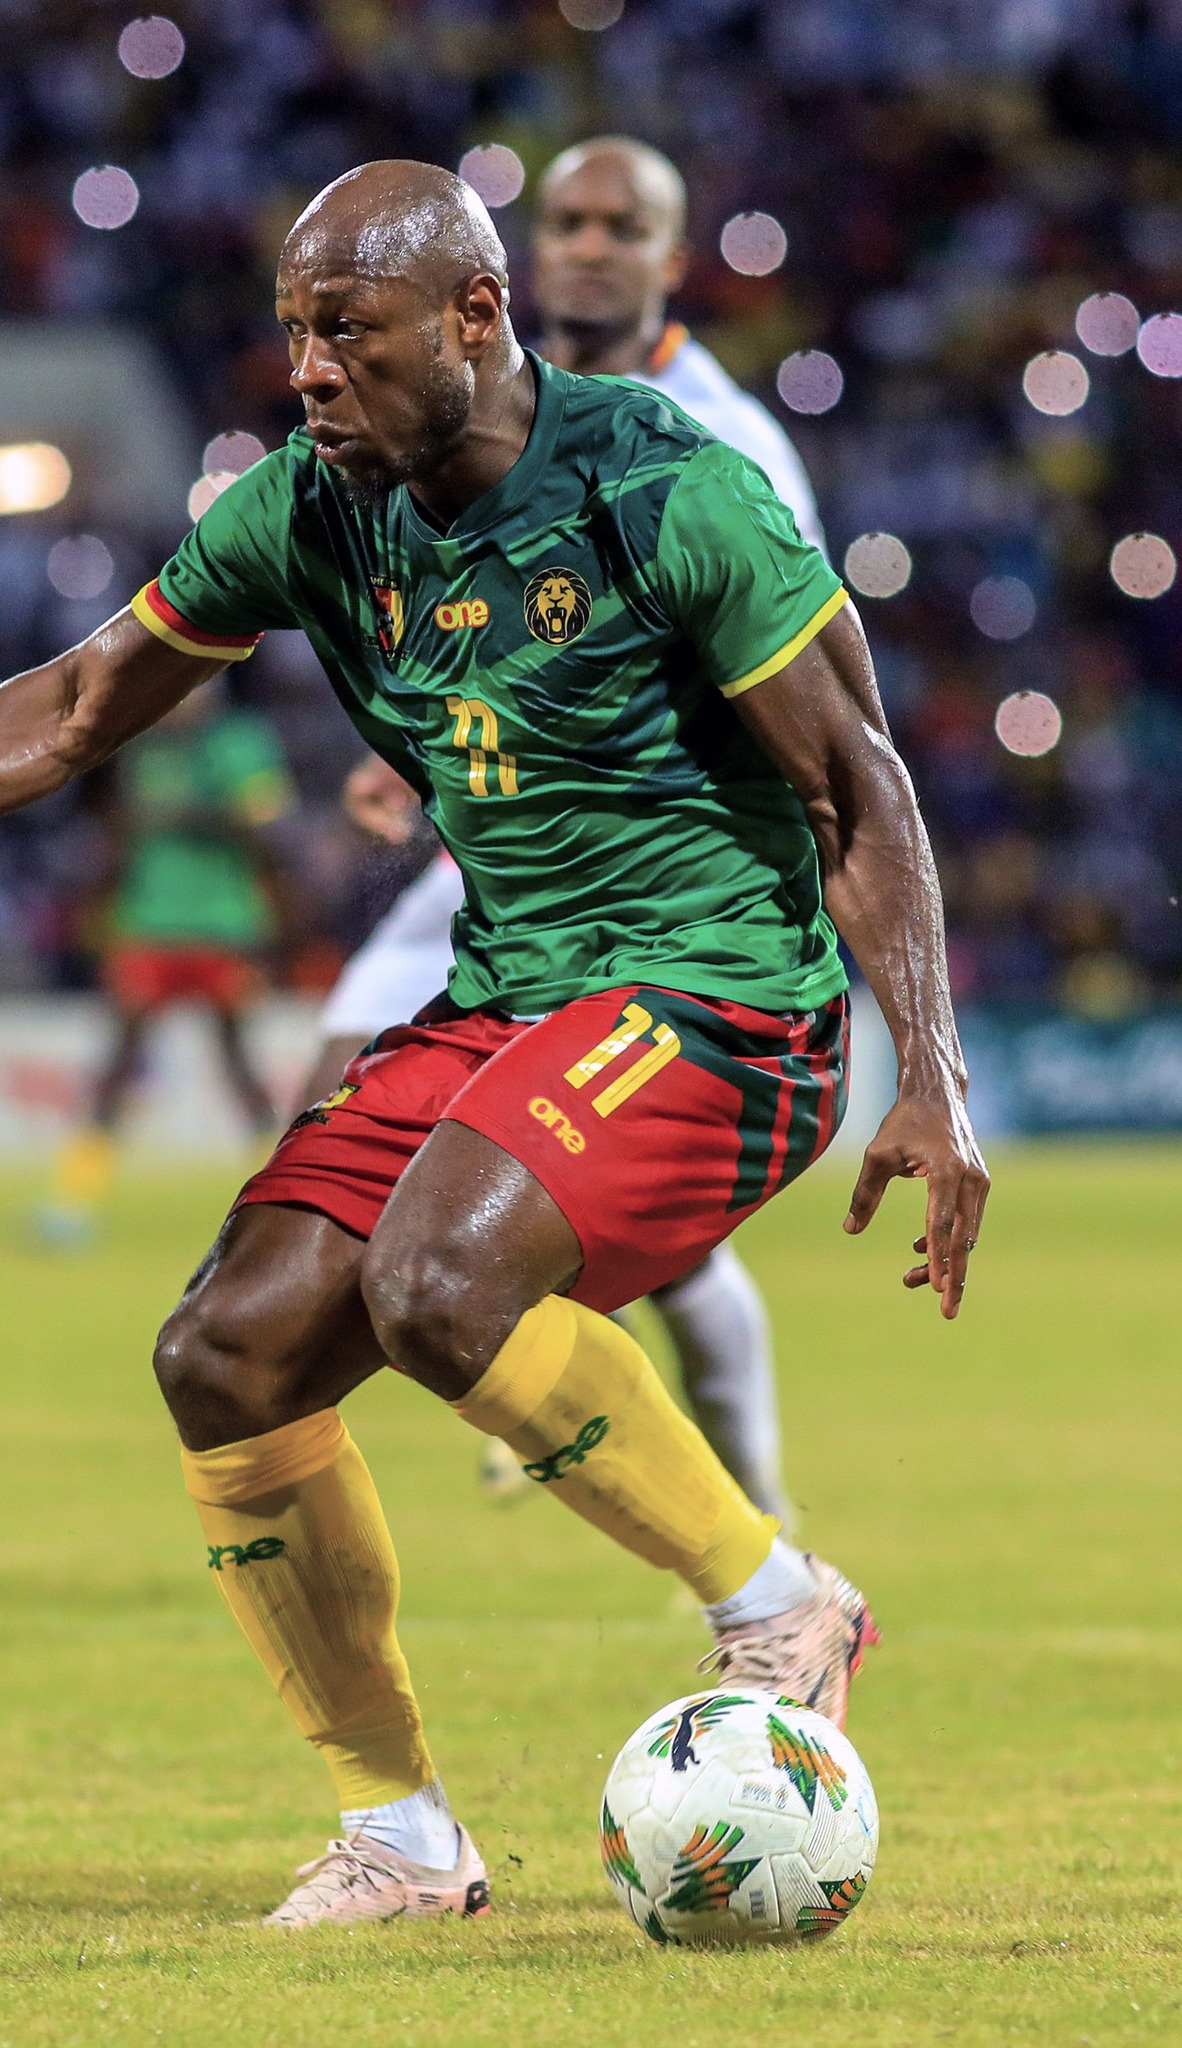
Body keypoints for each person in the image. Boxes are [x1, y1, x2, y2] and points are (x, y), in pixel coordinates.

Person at [0, 161, 987, 1933]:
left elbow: (856, 783)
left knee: (432, 1284)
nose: (308, 372)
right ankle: (400, 1836)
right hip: (515, 995)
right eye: (291, 336)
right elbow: (86, 699)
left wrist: (928, 1072)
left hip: (721, 999)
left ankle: (778, 1599)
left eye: (345, 333)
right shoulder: (307, 511)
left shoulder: (664, 489)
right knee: (225, 1353)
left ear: (472, 322)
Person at [305, 135, 821, 1518]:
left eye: (619, 224)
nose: (588, 245)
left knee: (655, 1227)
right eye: (568, 222)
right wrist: (426, 758)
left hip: (669, 866)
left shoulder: (721, 438)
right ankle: (519, 1319)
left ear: (670, 256)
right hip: (502, 856)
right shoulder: (468, 404)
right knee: (335, 1071)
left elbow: (785, 683)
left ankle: (743, 1519)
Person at [39, 683, 292, 1242]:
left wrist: (194, 813)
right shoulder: (143, 749)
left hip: (224, 923)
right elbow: (120, 830)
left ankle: (287, 1200)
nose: (181, 702)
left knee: (238, 1063)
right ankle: (72, 1205)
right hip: (149, 922)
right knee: (119, 1061)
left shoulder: (239, 742)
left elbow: (269, 825)